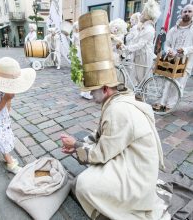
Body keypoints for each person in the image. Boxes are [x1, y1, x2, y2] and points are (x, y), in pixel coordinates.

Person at [60, 79, 165, 219]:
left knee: (83, 184)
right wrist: (77, 145)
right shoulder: (119, 98)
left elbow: (101, 154)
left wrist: (76, 146)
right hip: (132, 158)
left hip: (138, 174)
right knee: (86, 179)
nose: (90, 93)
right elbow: (103, 135)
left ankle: (119, 207)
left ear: (105, 89)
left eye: (92, 90)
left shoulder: (117, 110)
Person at [0, 57, 36, 174]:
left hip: (0, 111)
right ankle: (10, 163)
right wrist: (5, 99)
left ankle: (6, 155)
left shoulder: (6, 86)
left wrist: (7, 106)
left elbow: (6, 104)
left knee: (4, 132)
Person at [153, 4, 193, 112]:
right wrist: (168, 50)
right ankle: (162, 102)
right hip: (171, 60)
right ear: (181, 13)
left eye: (190, 11)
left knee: (179, 84)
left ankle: (170, 105)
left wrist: (185, 50)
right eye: (185, 11)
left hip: (186, 62)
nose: (187, 13)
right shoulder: (174, 29)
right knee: (167, 82)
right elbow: (167, 44)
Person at [118, 0, 161, 86]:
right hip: (139, 55)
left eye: (142, 13)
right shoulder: (144, 27)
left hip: (143, 57)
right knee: (138, 79)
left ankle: (141, 97)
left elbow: (140, 44)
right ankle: (138, 95)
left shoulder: (148, 29)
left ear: (147, 15)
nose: (140, 15)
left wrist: (126, 48)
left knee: (142, 80)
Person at [72, 21, 93, 100]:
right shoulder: (76, 35)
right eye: (77, 27)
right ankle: (85, 91)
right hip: (79, 52)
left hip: (82, 52)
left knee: (85, 72)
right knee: (83, 72)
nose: (78, 28)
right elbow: (74, 45)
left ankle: (86, 91)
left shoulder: (82, 34)